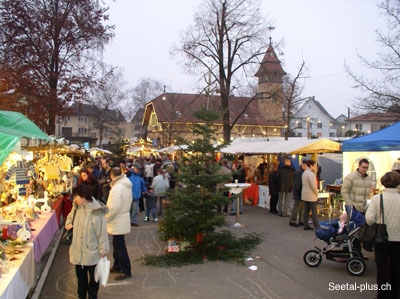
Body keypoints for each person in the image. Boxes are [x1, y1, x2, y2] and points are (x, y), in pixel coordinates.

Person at [65, 185, 109, 299]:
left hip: (92, 252)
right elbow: (69, 218)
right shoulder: (76, 208)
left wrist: (103, 250)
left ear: (84, 197)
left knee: (94, 281)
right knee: (81, 282)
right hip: (77, 251)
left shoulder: (96, 211)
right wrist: (69, 225)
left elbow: (102, 232)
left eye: (77, 197)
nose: (75, 199)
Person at [366, 171, 400, 299]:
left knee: (382, 269)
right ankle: (394, 294)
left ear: (383, 183)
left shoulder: (377, 199)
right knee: (396, 268)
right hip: (398, 239)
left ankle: (382, 295)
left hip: (381, 238)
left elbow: (369, 219)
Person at [106, 167, 133, 280]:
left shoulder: (117, 188)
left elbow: (113, 207)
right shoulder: (125, 186)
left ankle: (126, 269)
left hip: (117, 219)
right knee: (117, 244)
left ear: (112, 176)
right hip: (122, 217)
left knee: (120, 246)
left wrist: (105, 218)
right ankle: (117, 265)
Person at [302, 160, 320, 231]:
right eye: (314, 165)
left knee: (306, 210)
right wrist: (316, 193)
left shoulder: (304, 173)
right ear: (311, 165)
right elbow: (313, 186)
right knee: (314, 211)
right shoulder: (311, 174)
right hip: (311, 195)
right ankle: (317, 225)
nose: (315, 167)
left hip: (305, 194)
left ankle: (305, 224)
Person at [289, 159, 307, 227]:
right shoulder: (299, 172)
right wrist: (298, 192)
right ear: (303, 165)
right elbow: (297, 184)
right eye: (305, 166)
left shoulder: (300, 171)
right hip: (299, 192)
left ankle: (301, 220)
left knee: (301, 207)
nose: (306, 167)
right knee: (297, 207)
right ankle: (292, 220)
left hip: (300, 192)